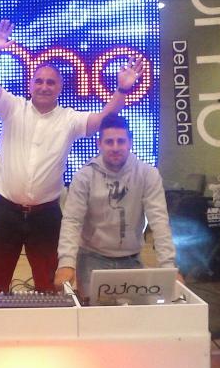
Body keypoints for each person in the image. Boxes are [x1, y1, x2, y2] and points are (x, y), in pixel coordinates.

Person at [0, 19, 144, 293]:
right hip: (6, 213)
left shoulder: (69, 119)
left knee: (50, 287)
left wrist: (122, 89)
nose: (44, 86)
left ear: (59, 87)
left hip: (46, 217)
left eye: (51, 82)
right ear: (30, 85)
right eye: (39, 81)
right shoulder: (12, 108)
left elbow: (104, 119)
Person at [54, 114, 183, 296]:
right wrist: (66, 262)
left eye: (120, 141)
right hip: (92, 258)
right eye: (109, 142)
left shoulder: (148, 174)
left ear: (130, 142)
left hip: (131, 259)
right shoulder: (84, 176)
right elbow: (72, 221)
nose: (115, 147)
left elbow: (159, 221)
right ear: (99, 144)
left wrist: (168, 266)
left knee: (134, 313)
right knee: (94, 312)